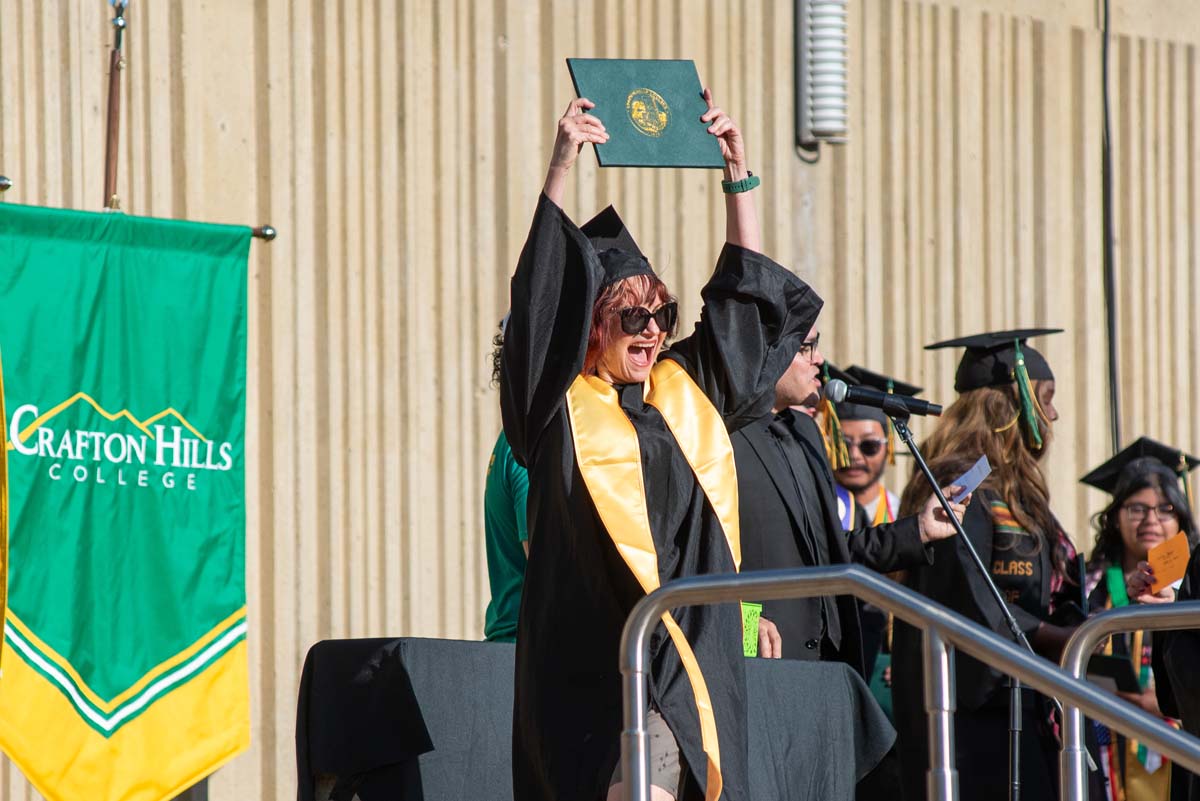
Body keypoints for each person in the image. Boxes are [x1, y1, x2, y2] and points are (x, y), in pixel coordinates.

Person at [501, 91, 823, 801]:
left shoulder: (683, 391)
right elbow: (539, 304)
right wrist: (561, 165)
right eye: (631, 315)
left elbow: (743, 308)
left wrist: (738, 174)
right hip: (588, 671)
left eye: (662, 314)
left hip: (689, 668)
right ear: (589, 325)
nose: (651, 329)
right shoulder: (557, 412)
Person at [891, 328, 1083, 801]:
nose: (1054, 413)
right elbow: (964, 592)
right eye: (1046, 398)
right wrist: (1052, 639)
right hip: (970, 706)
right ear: (1012, 403)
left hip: (1018, 695)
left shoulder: (1017, 490)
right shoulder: (958, 481)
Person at [734, 339, 968, 667]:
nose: (820, 358)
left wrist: (918, 529)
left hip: (828, 658)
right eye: (806, 346)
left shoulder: (804, 432)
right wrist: (740, 620)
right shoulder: (724, 437)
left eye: (871, 445)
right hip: (765, 654)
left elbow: (833, 551)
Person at [1080, 439, 1200, 801]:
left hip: (1178, 737)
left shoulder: (1191, 586)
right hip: (1109, 740)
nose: (1151, 520)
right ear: (1115, 517)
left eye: (1164, 509)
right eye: (1136, 508)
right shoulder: (1090, 582)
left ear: (1180, 516)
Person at [483, 320, 531, 643]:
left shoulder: (513, 440)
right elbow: (552, 573)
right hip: (533, 659)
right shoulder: (532, 451)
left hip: (515, 653)